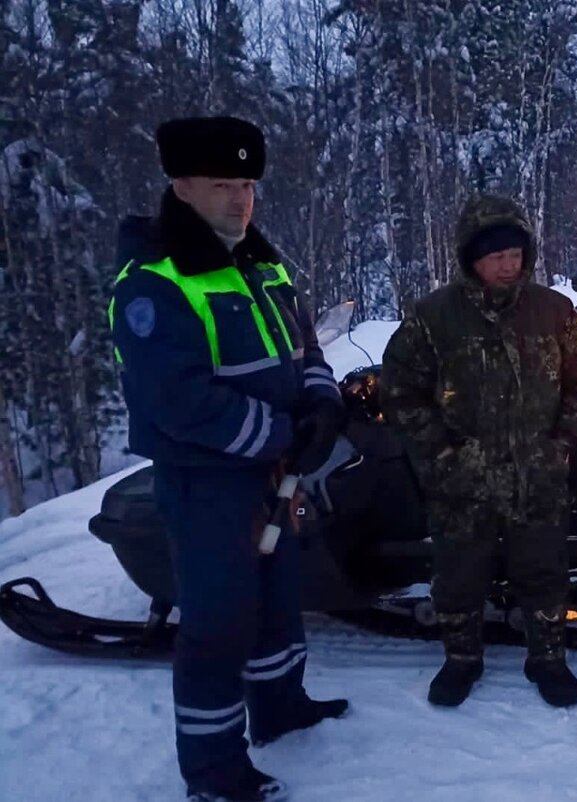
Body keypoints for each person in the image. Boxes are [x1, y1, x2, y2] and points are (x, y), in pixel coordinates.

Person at [110, 116, 349, 802]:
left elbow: (306, 350)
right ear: (181, 187)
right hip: (210, 484)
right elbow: (177, 402)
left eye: (247, 184)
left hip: (280, 473)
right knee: (219, 620)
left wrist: (321, 406)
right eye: (222, 184)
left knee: (280, 592)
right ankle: (215, 772)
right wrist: (283, 435)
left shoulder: (261, 262)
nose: (240, 199)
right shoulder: (153, 285)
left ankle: (280, 708)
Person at [380, 193, 577, 709]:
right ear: (471, 257)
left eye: (516, 253)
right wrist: (442, 456)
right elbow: (401, 391)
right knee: (458, 575)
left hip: (536, 475)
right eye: (496, 255)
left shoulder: (555, 311)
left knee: (544, 572)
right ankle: (461, 660)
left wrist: (562, 445)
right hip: (462, 481)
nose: (509, 264)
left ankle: (547, 658)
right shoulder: (434, 316)